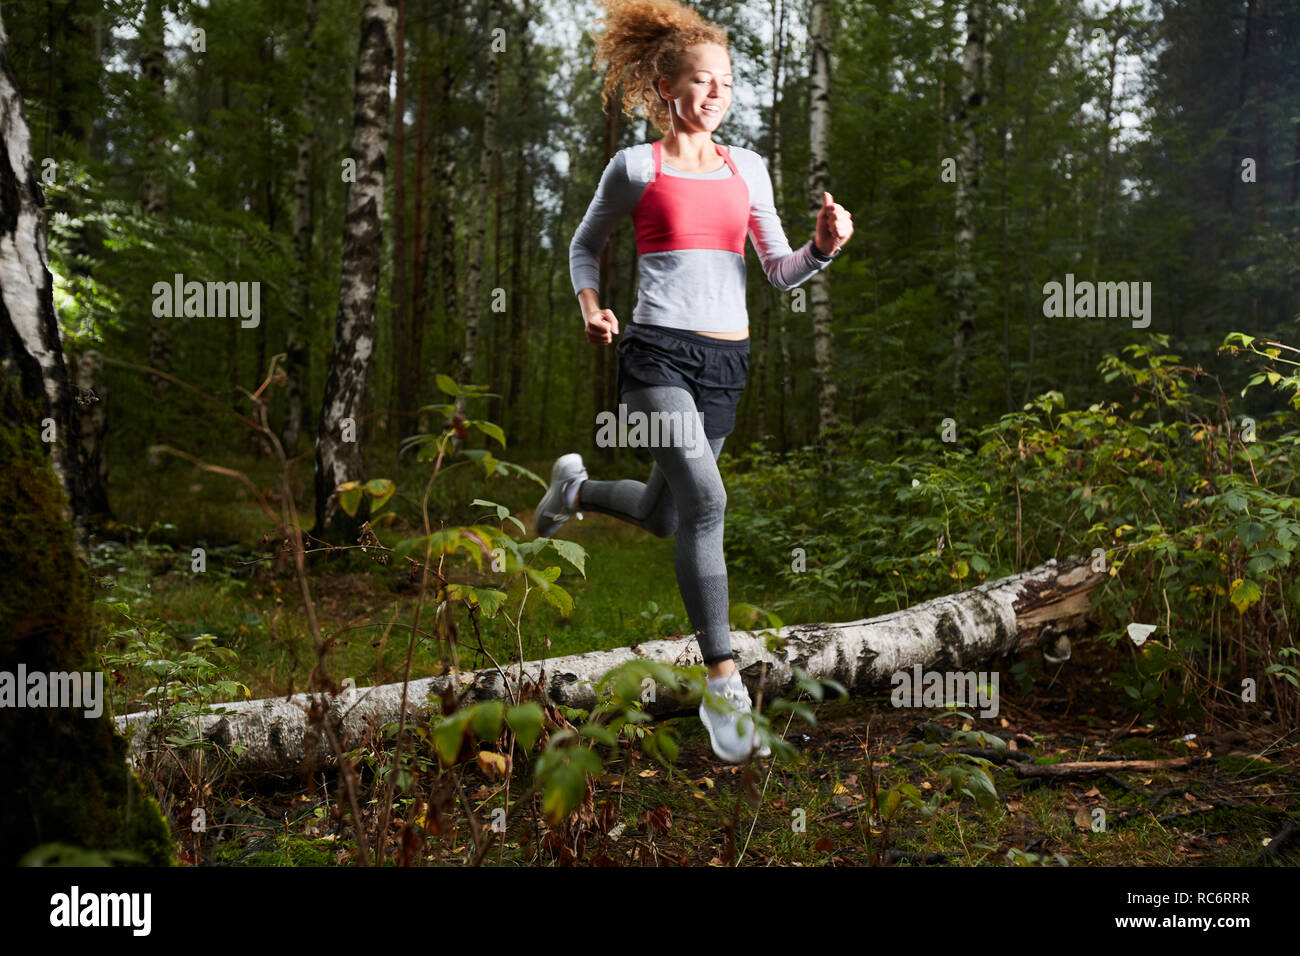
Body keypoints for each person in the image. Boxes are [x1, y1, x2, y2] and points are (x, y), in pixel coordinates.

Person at [534, 0, 853, 763]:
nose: (715, 93)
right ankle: (724, 681)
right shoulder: (636, 166)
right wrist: (590, 305)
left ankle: (573, 492)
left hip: (725, 363)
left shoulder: (749, 168)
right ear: (664, 86)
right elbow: (586, 245)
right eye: (700, 81)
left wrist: (822, 247)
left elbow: (779, 273)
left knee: (664, 514)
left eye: (727, 83)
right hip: (655, 358)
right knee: (708, 501)